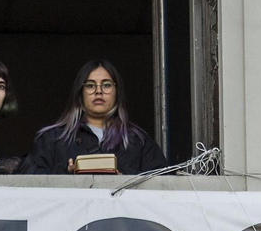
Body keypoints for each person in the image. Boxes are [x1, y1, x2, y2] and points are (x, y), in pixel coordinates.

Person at [20, 59, 166, 175]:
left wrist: (123, 176)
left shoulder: (137, 140)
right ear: (80, 93)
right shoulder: (53, 138)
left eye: (106, 85)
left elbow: (163, 180)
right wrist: (66, 173)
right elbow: (28, 179)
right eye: (90, 86)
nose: (98, 91)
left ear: (117, 92)